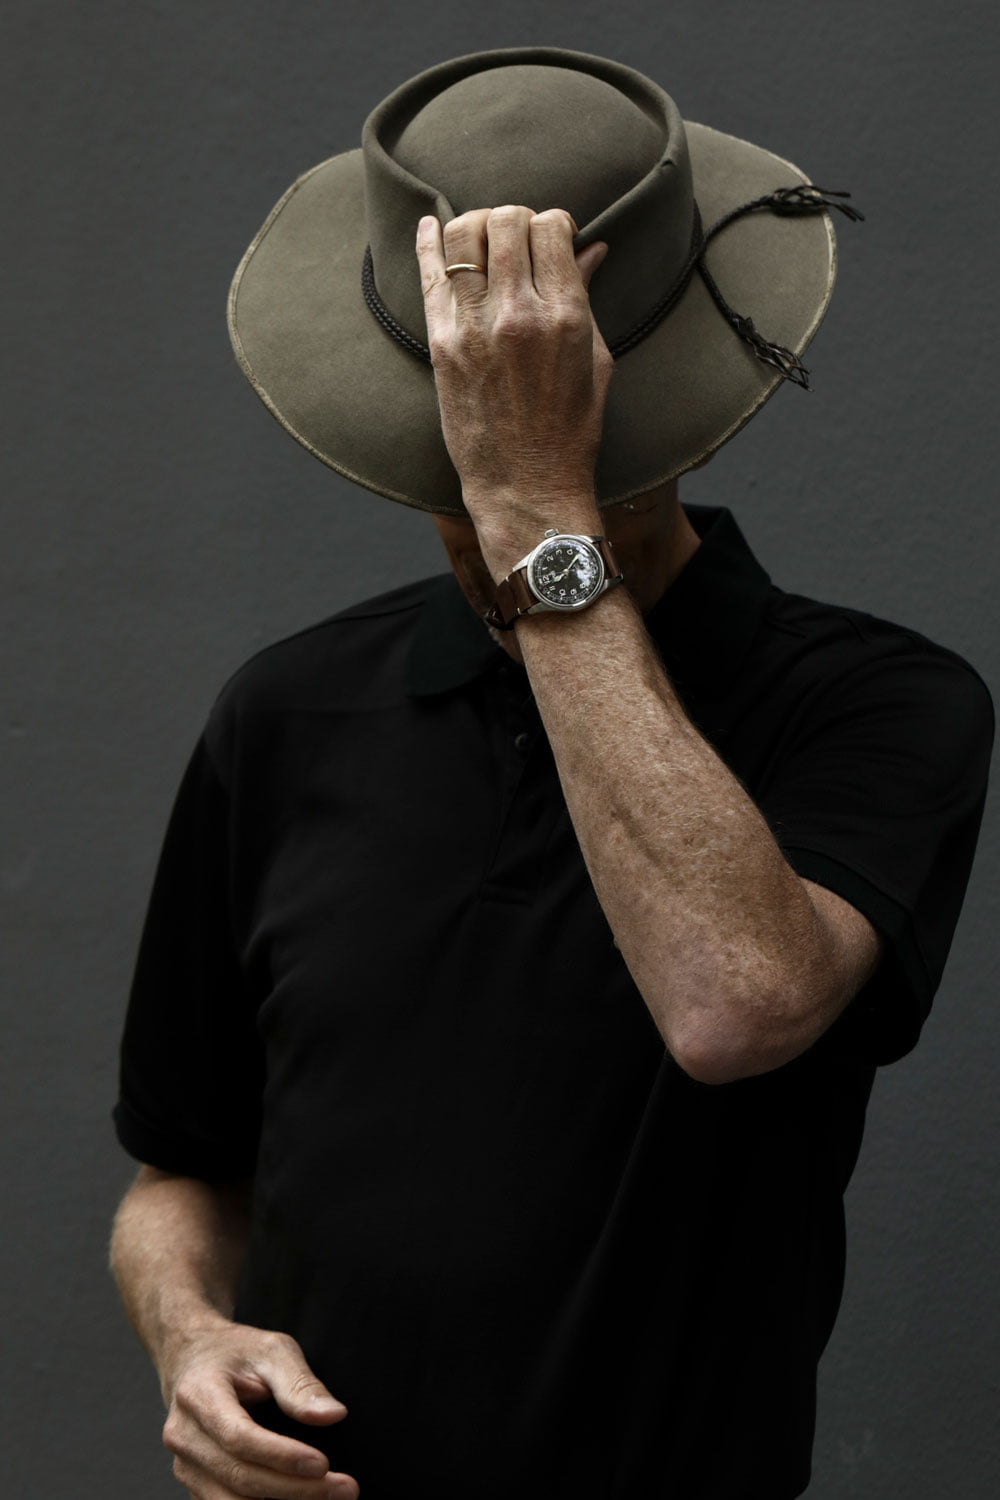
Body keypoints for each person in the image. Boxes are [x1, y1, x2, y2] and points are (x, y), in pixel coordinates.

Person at [108, 46, 994, 1500]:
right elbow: (180, 1173)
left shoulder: (879, 704)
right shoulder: (284, 711)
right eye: (446, 473)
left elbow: (732, 1003)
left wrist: (533, 504)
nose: (468, 510)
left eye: (489, 454)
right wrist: (190, 1338)